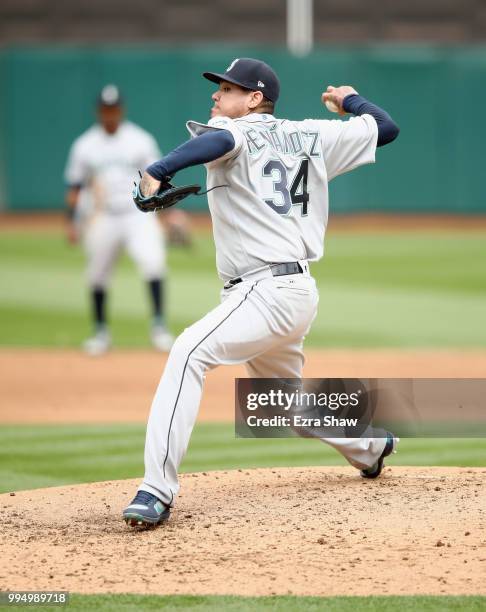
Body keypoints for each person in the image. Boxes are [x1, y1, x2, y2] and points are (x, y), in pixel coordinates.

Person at [122, 58, 400, 527]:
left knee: (188, 352)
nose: (216, 95)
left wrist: (158, 168)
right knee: (283, 402)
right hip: (295, 291)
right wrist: (348, 98)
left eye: (227, 88)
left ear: (254, 99)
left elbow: (221, 140)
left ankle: (156, 490)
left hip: (264, 292)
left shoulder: (236, 130)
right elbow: (386, 127)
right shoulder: (315, 134)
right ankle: (370, 446)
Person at [64, 84, 174, 355]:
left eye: (113, 109)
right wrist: (71, 222)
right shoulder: (84, 145)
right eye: (105, 109)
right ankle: (100, 332)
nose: (109, 114)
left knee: (154, 264)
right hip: (103, 216)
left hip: (139, 215)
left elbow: (158, 179)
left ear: (121, 110)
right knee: (97, 274)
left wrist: (166, 215)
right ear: (98, 111)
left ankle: (159, 327)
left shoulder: (140, 140)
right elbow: (75, 186)